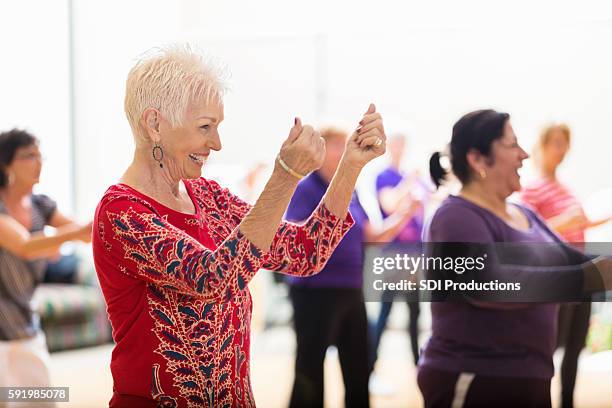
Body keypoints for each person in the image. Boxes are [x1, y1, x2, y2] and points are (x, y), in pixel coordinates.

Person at [91, 45, 387, 408]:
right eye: (205, 127)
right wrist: (286, 175)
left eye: (217, 127)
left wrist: (350, 167)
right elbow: (216, 278)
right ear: (155, 124)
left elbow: (304, 253)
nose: (216, 143)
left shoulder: (207, 195)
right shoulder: (122, 211)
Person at [419, 110, 612, 408]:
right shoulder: (454, 216)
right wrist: (587, 277)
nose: (524, 155)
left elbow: (572, 259)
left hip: (530, 380)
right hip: (475, 381)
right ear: (477, 159)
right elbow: (487, 284)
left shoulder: (526, 214)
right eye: (512, 145)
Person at [285, 127, 417, 408]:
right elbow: (293, 239)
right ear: (319, 151)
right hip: (314, 291)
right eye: (336, 146)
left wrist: (405, 213)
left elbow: (372, 235)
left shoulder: (351, 191)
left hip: (350, 287)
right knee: (310, 368)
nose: (344, 152)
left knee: (359, 366)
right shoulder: (305, 188)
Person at [521, 123, 612, 408]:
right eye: (557, 143)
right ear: (543, 146)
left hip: (581, 275)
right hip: (556, 277)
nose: (562, 150)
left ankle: (567, 401)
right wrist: (566, 221)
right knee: (550, 347)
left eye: (565, 144)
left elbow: (582, 220)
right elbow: (523, 234)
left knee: (575, 347)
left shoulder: (565, 188)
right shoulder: (532, 189)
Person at [0, 129, 92, 392]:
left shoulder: (41, 205)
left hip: (25, 320)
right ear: (6, 162)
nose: (38, 163)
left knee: (38, 398)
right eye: (29, 156)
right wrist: (65, 237)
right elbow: (25, 246)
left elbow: (85, 234)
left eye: (40, 156)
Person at [371, 133, 428, 370]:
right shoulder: (385, 177)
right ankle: (370, 366)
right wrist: (409, 183)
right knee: (387, 309)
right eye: (396, 144)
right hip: (394, 255)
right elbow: (389, 204)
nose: (399, 148)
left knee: (415, 312)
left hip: (413, 254)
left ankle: (418, 366)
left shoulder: (411, 178)